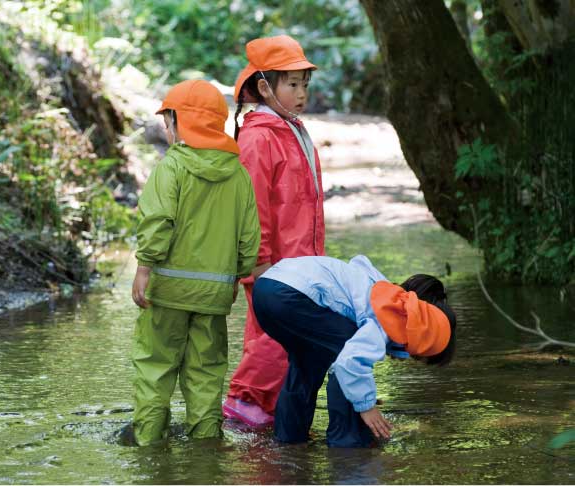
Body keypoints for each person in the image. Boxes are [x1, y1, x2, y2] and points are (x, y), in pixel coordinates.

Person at [129, 79, 260, 446]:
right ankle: (205, 449)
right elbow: (250, 239)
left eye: (168, 121)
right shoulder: (238, 174)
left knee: (155, 367)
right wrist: (233, 278)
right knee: (206, 373)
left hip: (166, 292)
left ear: (176, 122)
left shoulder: (171, 168)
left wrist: (143, 268)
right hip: (214, 295)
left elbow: (158, 222)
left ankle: (148, 445)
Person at [223, 35, 326, 427]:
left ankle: (272, 421)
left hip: (305, 264)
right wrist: (259, 263)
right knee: (273, 342)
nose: (301, 94)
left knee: (292, 344)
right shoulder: (258, 137)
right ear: (264, 87)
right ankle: (241, 408)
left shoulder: (293, 130)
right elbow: (254, 209)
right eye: (292, 84)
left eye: (305, 85)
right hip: (274, 266)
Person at [250, 254, 457, 447]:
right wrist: (365, 405)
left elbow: (359, 261)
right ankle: (348, 445)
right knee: (346, 356)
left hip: (266, 289)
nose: (405, 358)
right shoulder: (384, 319)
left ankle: (289, 440)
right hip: (292, 295)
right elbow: (349, 363)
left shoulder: (384, 295)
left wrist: (360, 389)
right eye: (415, 354)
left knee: (307, 363)